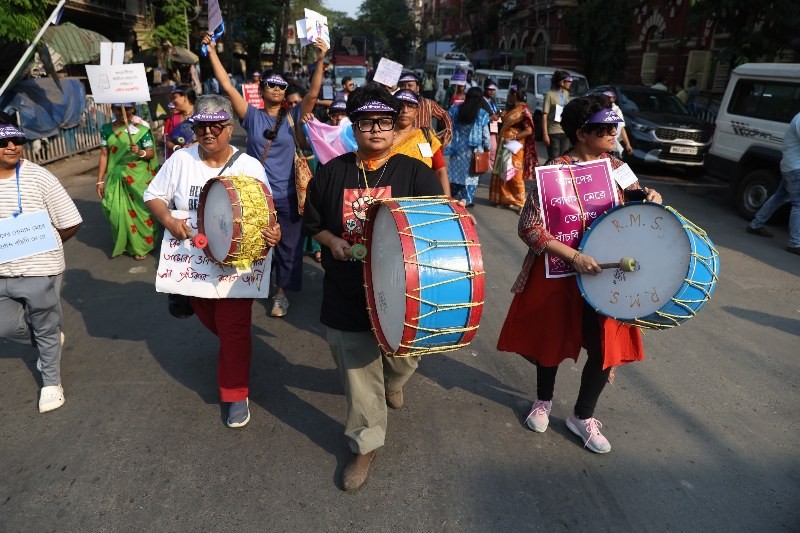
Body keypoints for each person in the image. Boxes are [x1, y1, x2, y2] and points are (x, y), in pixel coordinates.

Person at [497, 95, 663, 454]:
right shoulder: (554, 170)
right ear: (581, 133)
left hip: (609, 273)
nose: (613, 133)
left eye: (615, 126)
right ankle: (543, 401)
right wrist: (573, 256)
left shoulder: (618, 167)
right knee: (551, 338)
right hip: (558, 271)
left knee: (606, 345)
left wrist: (651, 198)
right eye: (604, 128)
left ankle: (582, 416)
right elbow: (529, 228)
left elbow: (637, 205)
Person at [303, 83, 444, 491]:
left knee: (404, 358)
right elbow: (315, 224)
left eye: (385, 121)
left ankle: (395, 381)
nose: (377, 130)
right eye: (367, 122)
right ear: (354, 125)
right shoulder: (332, 173)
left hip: (404, 291)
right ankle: (365, 443)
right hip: (346, 287)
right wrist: (332, 242)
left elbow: (435, 227)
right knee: (357, 365)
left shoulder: (415, 173)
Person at [144, 96, 282, 428]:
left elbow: (267, 211)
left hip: (238, 264)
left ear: (228, 129)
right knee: (216, 322)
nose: (208, 133)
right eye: (202, 127)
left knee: (233, 329)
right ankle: (213, 329)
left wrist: (273, 232)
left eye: (216, 127)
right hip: (193, 262)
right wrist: (168, 220)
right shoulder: (180, 160)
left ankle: (235, 394)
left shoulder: (248, 165)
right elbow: (154, 196)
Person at [203, 32, 329, 317]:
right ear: (261, 90)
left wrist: (321, 60)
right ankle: (251, 284)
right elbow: (226, 84)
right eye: (271, 84)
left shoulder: (292, 116)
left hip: (287, 193)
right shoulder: (251, 116)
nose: (276, 89)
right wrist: (211, 50)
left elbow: (312, 94)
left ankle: (280, 293)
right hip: (256, 194)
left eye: (281, 86)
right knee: (256, 242)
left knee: (289, 246)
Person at [0, 122, 82, 413]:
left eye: (17, 140)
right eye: (4, 142)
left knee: (45, 325)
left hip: (40, 269)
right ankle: (48, 341)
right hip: (1, 273)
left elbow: (71, 221)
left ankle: (51, 383)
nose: (11, 146)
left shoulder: (39, 176)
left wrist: (43, 243)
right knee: (6, 326)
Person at [96, 103, 159, 261]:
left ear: (133, 110)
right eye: (118, 108)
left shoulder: (142, 131)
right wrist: (99, 181)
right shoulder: (106, 129)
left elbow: (151, 153)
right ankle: (126, 242)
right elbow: (104, 154)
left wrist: (140, 152)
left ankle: (141, 246)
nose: (122, 112)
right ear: (112, 110)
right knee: (115, 211)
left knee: (142, 211)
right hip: (116, 176)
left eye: (127, 108)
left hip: (138, 177)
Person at [746, 111, 800, 255]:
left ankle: (755, 225)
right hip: (796, 168)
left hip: (790, 166)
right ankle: (795, 243)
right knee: (798, 203)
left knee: (780, 197)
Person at [392, 89, 449, 195]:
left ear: (417, 111)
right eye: (399, 105)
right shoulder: (383, 137)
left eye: (410, 106)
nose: (405, 110)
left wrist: (448, 203)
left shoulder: (426, 136)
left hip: (423, 199)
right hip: (391, 198)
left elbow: (440, 171)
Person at [489, 84, 536, 212]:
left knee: (514, 173)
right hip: (505, 144)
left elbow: (529, 130)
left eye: (509, 94)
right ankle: (506, 199)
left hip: (515, 146)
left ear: (514, 95)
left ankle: (521, 202)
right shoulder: (512, 108)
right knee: (504, 171)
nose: (508, 97)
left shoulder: (523, 110)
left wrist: (514, 137)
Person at [447, 87, 490, 207]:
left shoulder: (455, 110)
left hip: (457, 148)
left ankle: (449, 195)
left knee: (455, 174)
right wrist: (488, 147)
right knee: (471, 176)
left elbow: (449, 126)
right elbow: (485, 134)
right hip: (474, 152)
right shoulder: (482, 114)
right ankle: (466, 200)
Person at [398, 71, 453, 147]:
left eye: (410, 85)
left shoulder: (428, 104)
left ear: (417, 88)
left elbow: (444, 114)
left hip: (424, 146)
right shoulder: (395, 104)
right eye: (403, 86)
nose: (406, 88)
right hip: (401, 145)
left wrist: (446, 136)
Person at [542, 70, 572, 160]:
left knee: (564, 158)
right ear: (562, 82)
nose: (570, 83)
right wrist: (545, 134)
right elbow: (544, 115)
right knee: (554, 159)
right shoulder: (549, 95)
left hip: (564, 131)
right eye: (569, 80)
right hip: (553, 131)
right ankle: (542, 173)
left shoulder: (566, 94)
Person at [163, 84, 196, 159]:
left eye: (175, 98)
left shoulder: (201, 115)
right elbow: (168, 141)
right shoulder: (173, 118)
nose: (172, 101)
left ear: (185, 97)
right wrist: (177, 148)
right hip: (180, 158)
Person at [602, 90, 633, 159]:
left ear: (614, 99)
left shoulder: (617, 110)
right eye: (605, 97)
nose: (606, 99)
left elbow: (621, 128)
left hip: (612, 145)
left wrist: (628, 144)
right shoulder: (598, 109)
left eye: (609, 97)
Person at [481, 80, 501, 167]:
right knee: (487, 150)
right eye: (490, 89)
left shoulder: (492, 100)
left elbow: (495, 111)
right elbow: (479, 115)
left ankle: (492, 171)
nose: (492, 92)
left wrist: (500, 114)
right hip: (485, 129)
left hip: (494, 129)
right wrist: (489, 118)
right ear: (485, 89)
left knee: (493, 150)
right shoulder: (481, 100)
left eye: (494, 90)